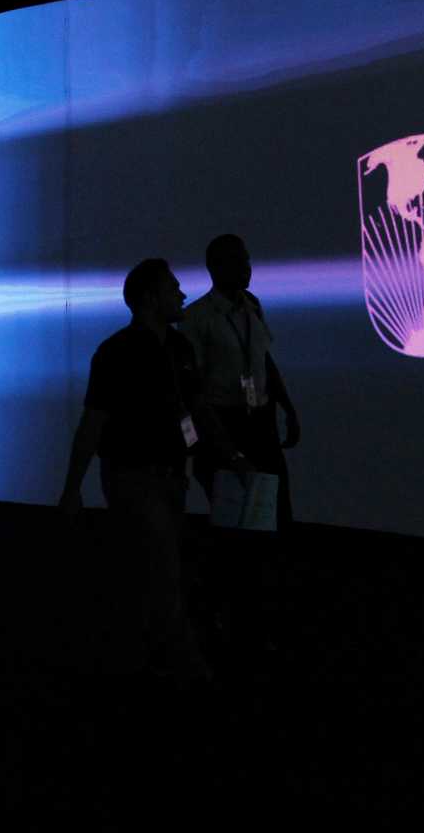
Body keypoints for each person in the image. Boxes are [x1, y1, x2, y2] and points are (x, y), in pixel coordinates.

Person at [58, 259, 247, 686]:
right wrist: (72, 488)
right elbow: (94, 422)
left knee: (155, 571)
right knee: (163, 571)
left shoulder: (177, 349)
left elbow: (195, 409)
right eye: (173, 288)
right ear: (150, 297)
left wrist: (229, 455)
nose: (182, 294)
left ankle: (142, 664)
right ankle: (188, 670)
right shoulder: (117, 353)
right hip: (133, 478)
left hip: (166, 478)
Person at [181, 234, 301, 652]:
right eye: (240, 259)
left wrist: (285, 403)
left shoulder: (253, 307)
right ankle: (228, 618)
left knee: (274, 517)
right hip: (224, 426)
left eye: (247, 258)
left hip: (259, 422)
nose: (248, 266)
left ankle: (262, 613)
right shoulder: (197, 318)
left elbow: (263, 358)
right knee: (235, 528)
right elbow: (190, 388)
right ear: (217, 266)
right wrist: (206, 445)